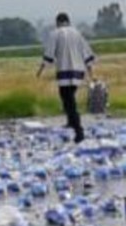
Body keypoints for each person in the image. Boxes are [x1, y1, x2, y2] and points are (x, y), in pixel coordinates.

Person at [37, 13, 96, 143]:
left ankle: (78, 131)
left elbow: (49, 54)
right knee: (70, 98)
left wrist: (41, 69)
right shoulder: (77, 33)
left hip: (64, 70)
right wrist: (91, 73)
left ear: (58, 22)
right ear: (68, 21)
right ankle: (71, 121)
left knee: (69, 102)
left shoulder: (55, 34)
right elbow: (87, 53)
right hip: (78, 71)